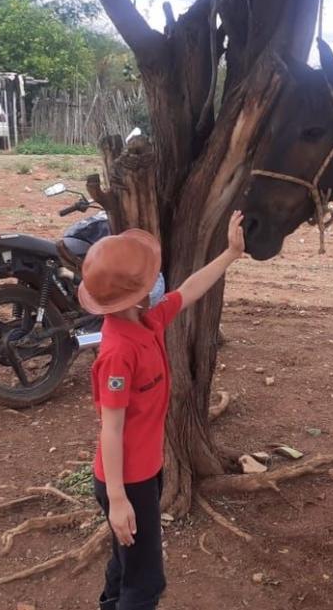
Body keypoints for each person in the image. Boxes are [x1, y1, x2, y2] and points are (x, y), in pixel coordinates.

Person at [77, 212, 246, 610]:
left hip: (145, 473)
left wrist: (231, 254)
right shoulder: (119, 353)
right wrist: (118, 500)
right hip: (126, 483)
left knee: (126, 565)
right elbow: (111, 430)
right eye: (149, 277)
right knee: (147, 581)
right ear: (134, 295)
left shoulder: (146, 321)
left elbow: (189, 290)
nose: (158, 280)